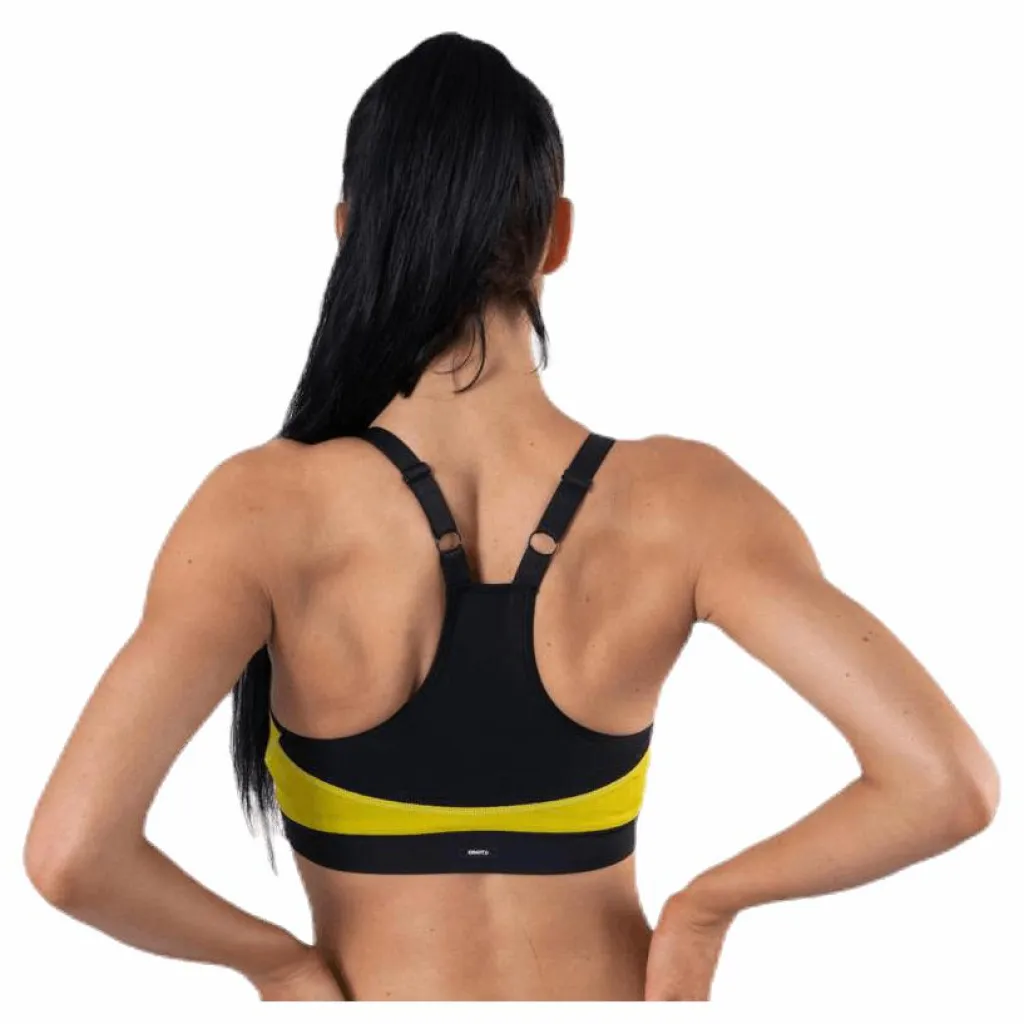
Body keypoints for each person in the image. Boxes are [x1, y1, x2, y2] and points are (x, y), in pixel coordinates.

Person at [23, 31, 999, 1002]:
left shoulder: (263, 509)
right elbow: (945, 782)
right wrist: (706, 907)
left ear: (348, 230)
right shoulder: (686, 502)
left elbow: (73, 854)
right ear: (555, 236)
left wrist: (276, 965)